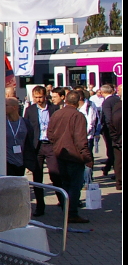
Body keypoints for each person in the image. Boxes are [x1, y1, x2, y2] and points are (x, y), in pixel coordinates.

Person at [48, 90, 92, 223]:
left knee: (66, 184)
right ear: (78, 102)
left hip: (60, 154)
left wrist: (56, 145)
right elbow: (80, 140)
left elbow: (50, 134)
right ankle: (71, 213)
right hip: (74, 156)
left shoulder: (57, 114)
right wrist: (88, 158)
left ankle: (67, 210)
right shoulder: (78, 116)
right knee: (74, 185)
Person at [23, 85, 58, 216]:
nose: (38, 100)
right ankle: (40, 206)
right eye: (36, 97)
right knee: (37, 177)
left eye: (40, 97)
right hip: (36, 146)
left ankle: (63, 202)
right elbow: (26, 127)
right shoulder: (30, 110)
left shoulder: (54, 109)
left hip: (50, 145)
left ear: (45, 96)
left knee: (55, 174)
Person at [4, 98, 29, 177]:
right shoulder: (1, 122)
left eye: (6, 105)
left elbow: (29, 143)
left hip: (21, 161)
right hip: (7, 161)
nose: (3, 107)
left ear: (14, 107)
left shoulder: (25, 123)